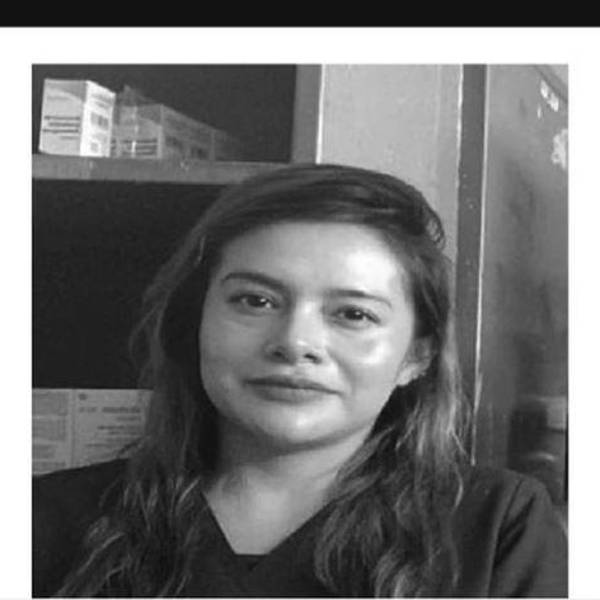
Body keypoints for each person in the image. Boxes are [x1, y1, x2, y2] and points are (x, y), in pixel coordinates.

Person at [33, 163, 567, 598]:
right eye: (255, 301)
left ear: (416, 356)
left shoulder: (495, 527)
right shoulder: (47, 520)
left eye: (353, 314)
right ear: (195, 323)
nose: (295, 342)